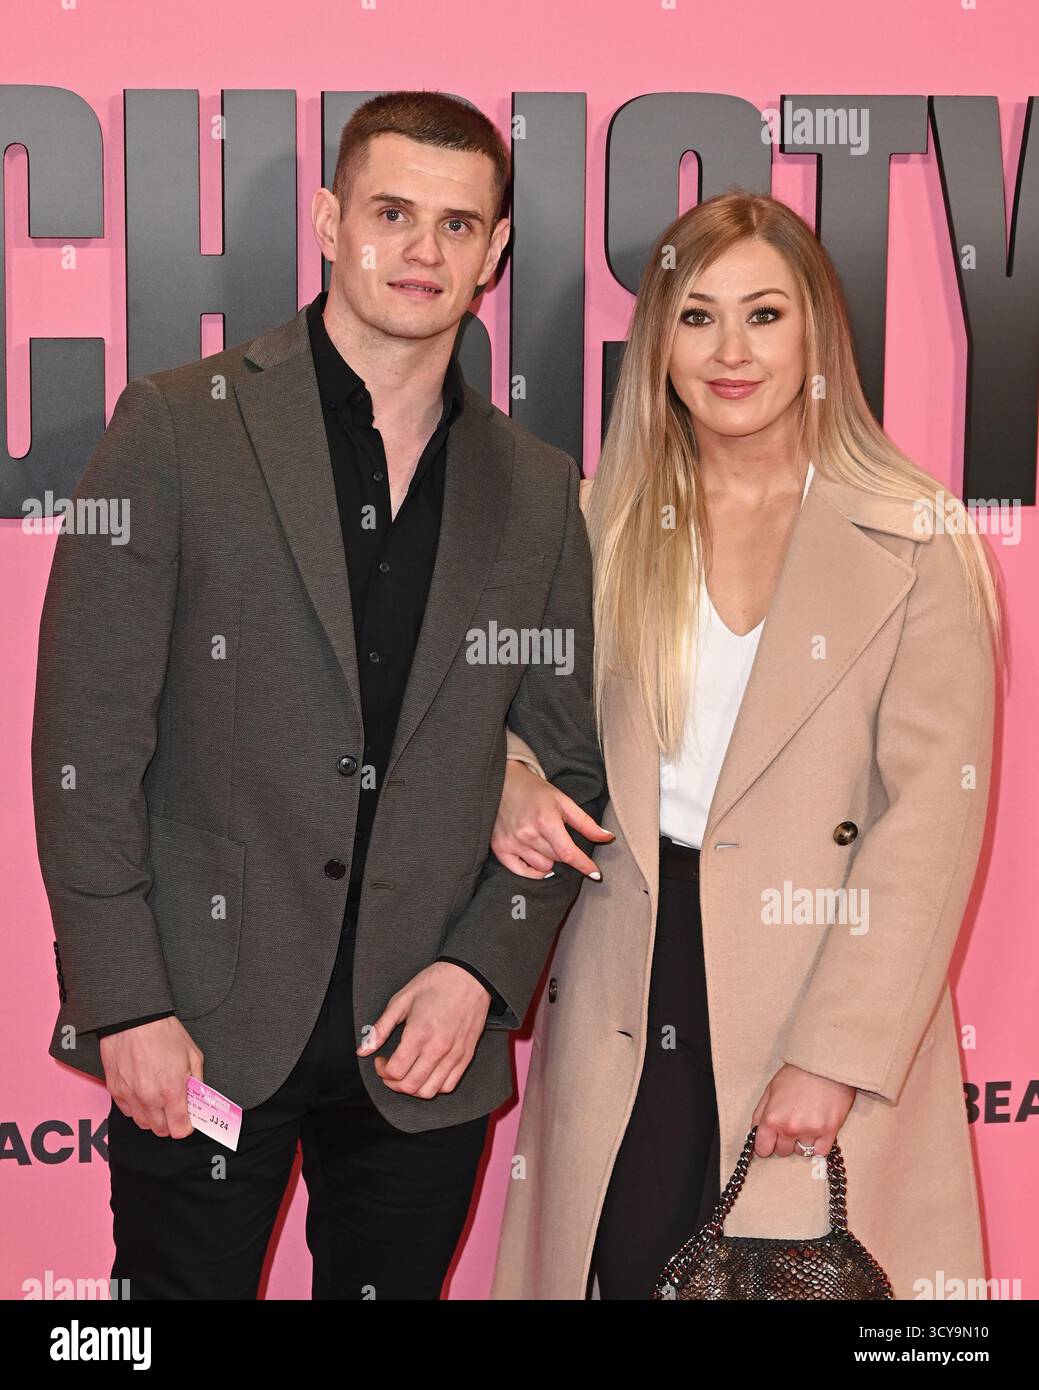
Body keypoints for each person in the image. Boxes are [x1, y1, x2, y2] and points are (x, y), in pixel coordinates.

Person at [30, 90, 606, 1300]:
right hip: (201, 1021)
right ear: (331, 219)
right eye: (393, 213)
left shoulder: (539, 487)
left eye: (458, 226)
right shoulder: (180, 427)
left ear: (495, 254)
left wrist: (482, 976)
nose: (423, 251)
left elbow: (568, 770)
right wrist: (124, 1000)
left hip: (424, 1040)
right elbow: (86, 741)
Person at [489, 191, 1002, 1300]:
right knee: (615, 1272)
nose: (730, 352)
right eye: (697, 316)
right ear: (657, 343)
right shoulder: (593, 524)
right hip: (624, 970)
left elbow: (929, 822)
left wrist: (836, 1053)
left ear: (817, 331)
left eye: (764, 315)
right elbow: (501, 720)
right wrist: (511, 779)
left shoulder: (916, 536)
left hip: (817, 978)